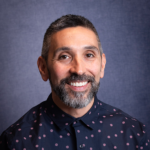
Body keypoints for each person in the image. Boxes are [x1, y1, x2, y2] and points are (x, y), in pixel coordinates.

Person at [0, 14, 149, 150]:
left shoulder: (135, 135)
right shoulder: (15, 141)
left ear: (102, 65)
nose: (79, 70)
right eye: (64, 56)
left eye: (89, 55)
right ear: (43, 68)